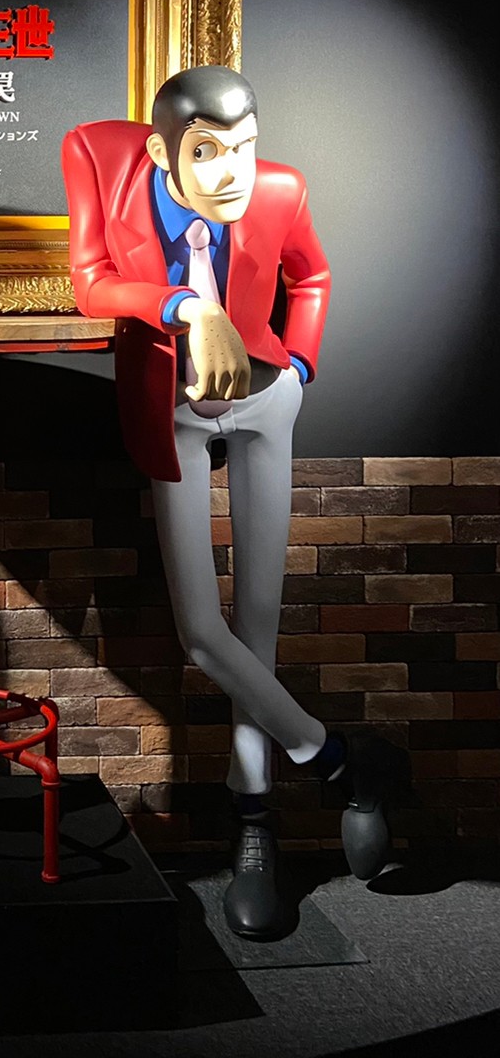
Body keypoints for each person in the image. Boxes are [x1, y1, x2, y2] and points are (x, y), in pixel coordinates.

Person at [62, 66, 406, 939]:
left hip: (264, 403)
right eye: (209, 152)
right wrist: (185, 306)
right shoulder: (102, 167)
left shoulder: (282, 191)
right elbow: (92, 282)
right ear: (162, 153)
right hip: (172, 407)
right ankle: (341, 761)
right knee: (203, 635)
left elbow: (313, 276)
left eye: (246, 146)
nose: (234, 171)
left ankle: (254, 822)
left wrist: (301, 365)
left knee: (259, 625)